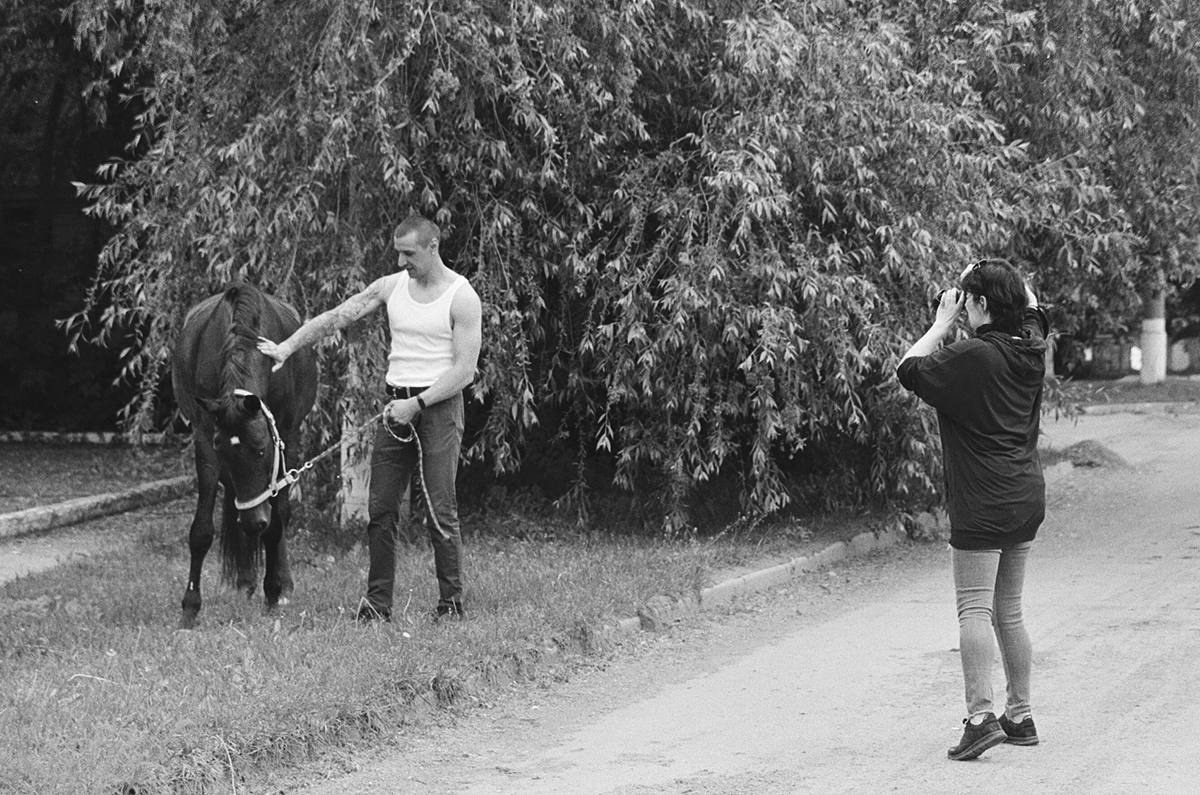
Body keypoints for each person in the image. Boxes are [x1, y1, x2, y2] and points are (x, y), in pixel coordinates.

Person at [257, 214, 482, 622]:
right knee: (380, 511)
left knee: (440, 510)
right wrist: (287, 347)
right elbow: (339, 316)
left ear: (433, 247)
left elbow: (464, 371)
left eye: (408, 253)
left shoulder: (461, 297)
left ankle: (451, 605)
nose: (401, 262)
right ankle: (377, 605)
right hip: (395, 409)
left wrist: (417, 405)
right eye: (398, 253)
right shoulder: (391, 287)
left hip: (438, 410)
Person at [896, 260, 1048, 761]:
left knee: (975, 610)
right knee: (1009, 611)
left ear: (979, 304)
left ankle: (981, 720)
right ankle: (1020, 716)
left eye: (969, 300)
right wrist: (993, 278)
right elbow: (1033, 307)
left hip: (982, 501)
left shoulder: (973, 355)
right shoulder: (1031, 345)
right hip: (1023, 497)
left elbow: (909, 368)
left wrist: (941, 322)